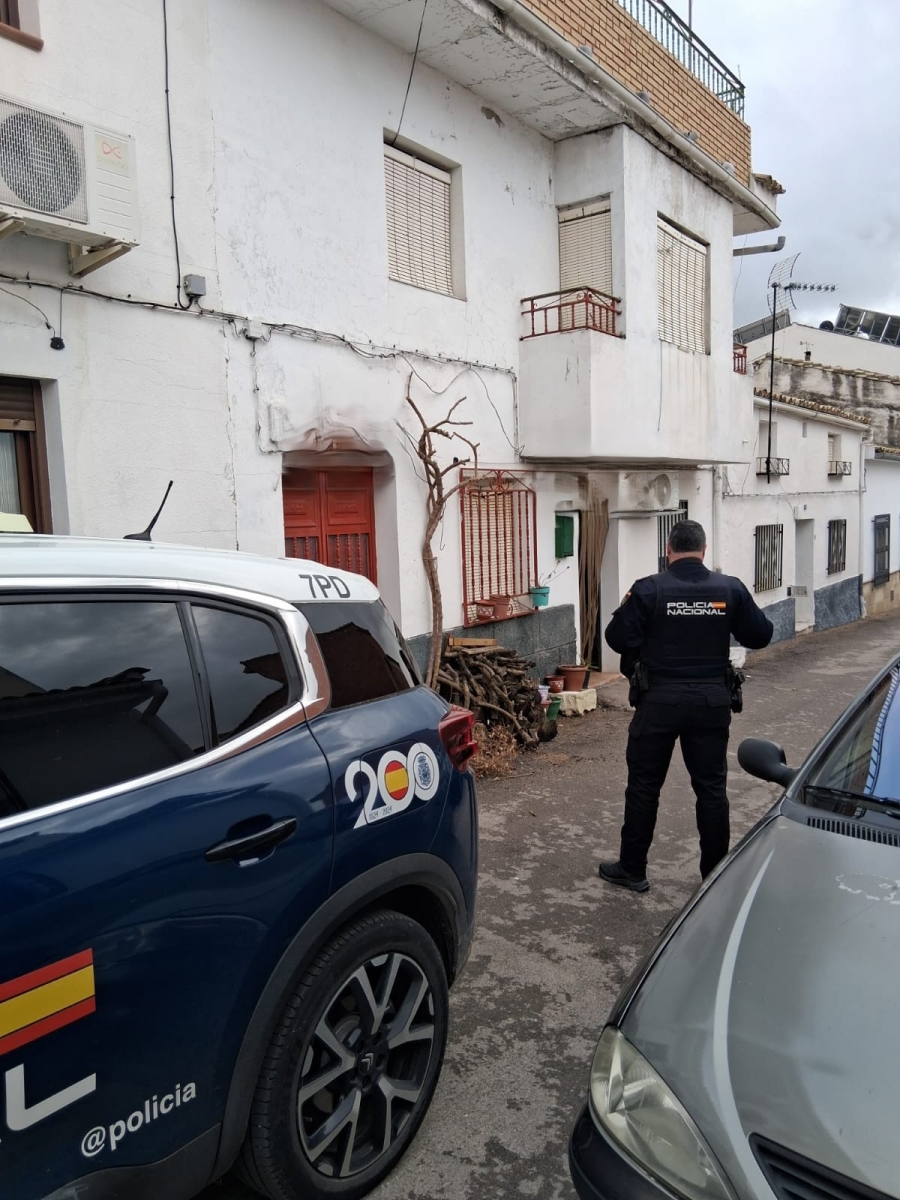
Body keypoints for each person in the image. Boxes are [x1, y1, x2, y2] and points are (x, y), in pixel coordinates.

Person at [599, 519, 773, 892]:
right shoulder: (729, 589)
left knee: (644, 786)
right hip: (711, 702)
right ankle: (714, 877)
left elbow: (615, 637)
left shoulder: (649, 589)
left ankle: (633, 869)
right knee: (711, 790)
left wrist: (648, 640)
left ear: (669, 550)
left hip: (659, 701)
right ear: (704, 550)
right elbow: (761, 634)